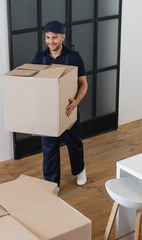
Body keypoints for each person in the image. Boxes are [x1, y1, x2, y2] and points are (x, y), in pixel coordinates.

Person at [31, 20, 88, 187]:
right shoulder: (39, 58)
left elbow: (84, 83)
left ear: (63, 37)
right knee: (49, 148)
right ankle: (52, 184)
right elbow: (33, 84)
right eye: (47, 37)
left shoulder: (73, 57)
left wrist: (76, 101)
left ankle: (80, 170)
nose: (50, 41)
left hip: (68, 110)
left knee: (74, 144)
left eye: (54, 37)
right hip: (48, 112)